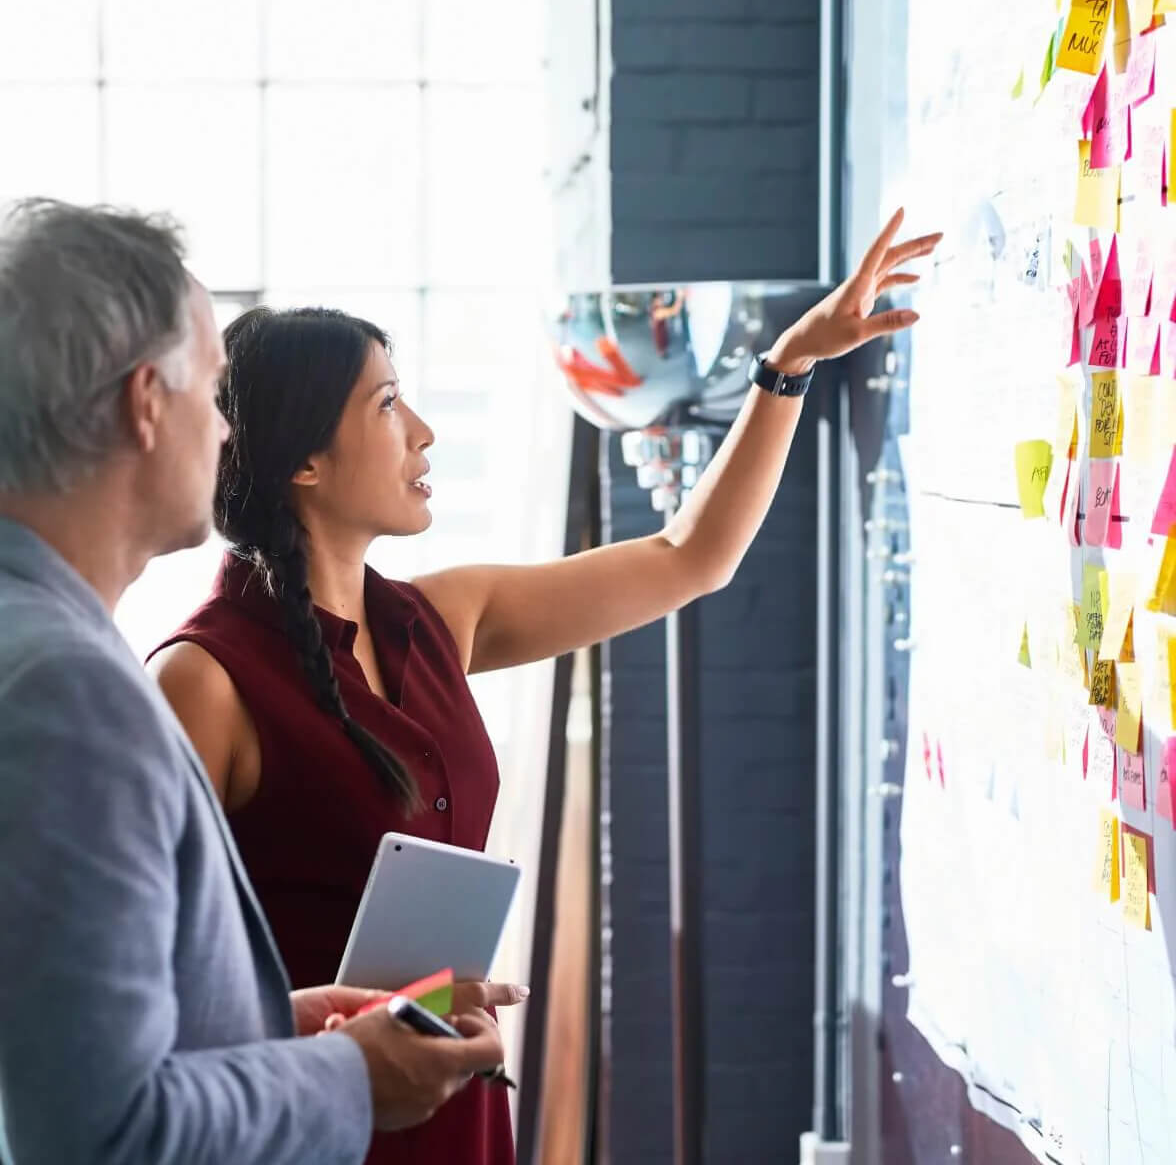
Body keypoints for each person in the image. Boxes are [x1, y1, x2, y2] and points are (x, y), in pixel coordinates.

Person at [151, 208, 941, 1165]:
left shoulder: (443, 619)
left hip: (457, 1100)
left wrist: (787, 366)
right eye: (389, 405)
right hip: (311, 1122)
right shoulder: (203, 681)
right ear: (305, 462)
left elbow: (691, 558)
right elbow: (141, 984)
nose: (425, 433)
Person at [0, 199, 506, 1165]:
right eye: (217, 394)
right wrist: (355, 1076)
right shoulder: (68, 694)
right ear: (147, 402)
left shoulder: (44, 642)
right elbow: (93, 1135)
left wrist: (272, 1022)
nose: (232, 434)